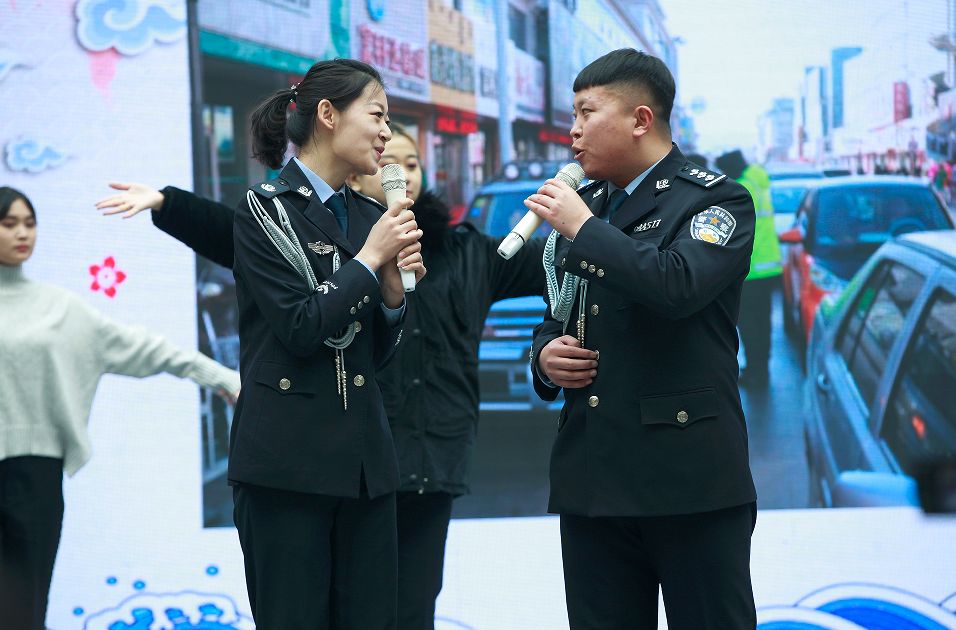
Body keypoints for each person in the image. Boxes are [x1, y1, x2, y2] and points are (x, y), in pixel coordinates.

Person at [97, 123, 546, 630]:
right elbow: (236, 235)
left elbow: (555, 267)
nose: (401, 174)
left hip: (430, 461)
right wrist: (168, 203)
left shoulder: (467, 251)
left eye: (412, 164)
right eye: (388, 162)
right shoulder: (321, 249)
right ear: (355, 180)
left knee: (412, 608)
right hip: (356, 459)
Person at [523, 49, 758, 629]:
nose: (572, 131)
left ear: (640, 120)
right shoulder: (593, 207)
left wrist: (583, 228)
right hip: (594, 482)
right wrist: (545, 356)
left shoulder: (714, 199)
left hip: (689, 485)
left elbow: (679, 284)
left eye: (586, 111)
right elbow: (561, 308)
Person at [236, 58, 425, 629]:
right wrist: (370, 260)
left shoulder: (370, 211)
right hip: (287, 466)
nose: (386, 133)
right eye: (377, 115)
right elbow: (299, 327)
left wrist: (393, 297)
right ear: (326, 115)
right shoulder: (264, 209)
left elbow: (373, 355)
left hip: (366, 465)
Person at [0, 187, 240, 630]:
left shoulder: (57, 309)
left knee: (21, 611)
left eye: (29, 223)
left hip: (31, 478)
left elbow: (147, 348)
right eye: (9, 223)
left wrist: (223, 378)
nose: (22, 233)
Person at [715, 149, 782, 388]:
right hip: (768, 266)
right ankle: (761, 369)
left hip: (749, 269)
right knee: (763, 324)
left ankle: (755, 372)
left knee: (749, 324)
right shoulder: (758, 179)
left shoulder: (739, 189)